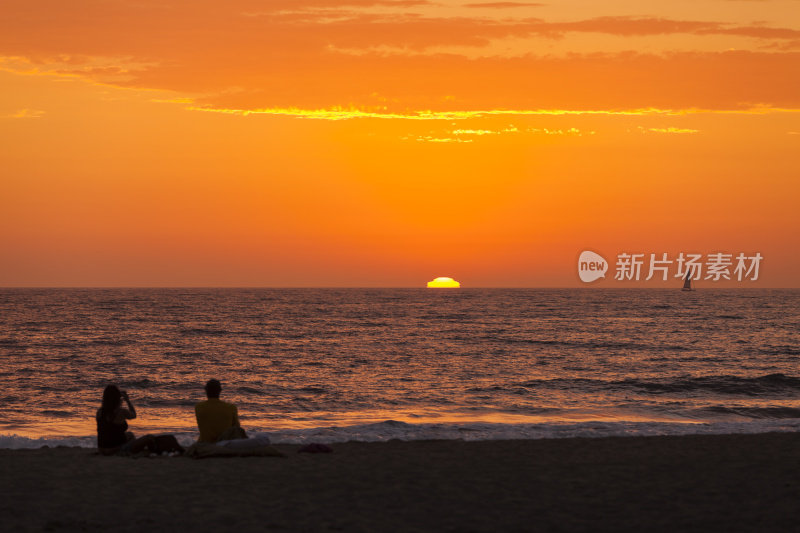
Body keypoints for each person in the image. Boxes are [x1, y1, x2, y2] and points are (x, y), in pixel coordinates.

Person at [96, 385, 157, 455]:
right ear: (117, 398)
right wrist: (127, 400)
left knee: (130, 435)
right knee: (149, 437)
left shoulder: (99, 412)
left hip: (101, 449)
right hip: (114, 449)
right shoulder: (121, 412)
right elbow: (134, 415)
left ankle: (132, 449)